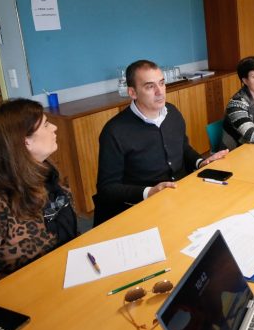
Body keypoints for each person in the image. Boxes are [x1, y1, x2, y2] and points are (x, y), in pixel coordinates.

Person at [0, 99, 78, 297]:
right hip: (27, 297)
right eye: (45, 124)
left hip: (65, 276)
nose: (53, 127)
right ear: (23, 141)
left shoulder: (44, 171)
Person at [95, 60, 227, 225]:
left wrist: (201, 163)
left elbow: (183, 148)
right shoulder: (114, 131)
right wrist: (149, 192)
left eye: (162, 83)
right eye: (150, 86)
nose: (160, 92)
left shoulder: (172, 113)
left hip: (180, 195)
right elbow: (107, 188)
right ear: (132, 92)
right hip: (142, 208)